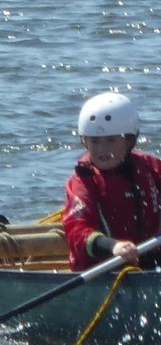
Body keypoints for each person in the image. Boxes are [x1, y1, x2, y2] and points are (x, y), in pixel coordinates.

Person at [63, 91, 161, 271]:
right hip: (104, 268)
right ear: (84, 141)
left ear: (129, 140)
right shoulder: (84, 181)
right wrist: (113, 246)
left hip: (150, 261)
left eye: (111, 140)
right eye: (94, 141)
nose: (102, 149)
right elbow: (77, 229)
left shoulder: (150, 167)